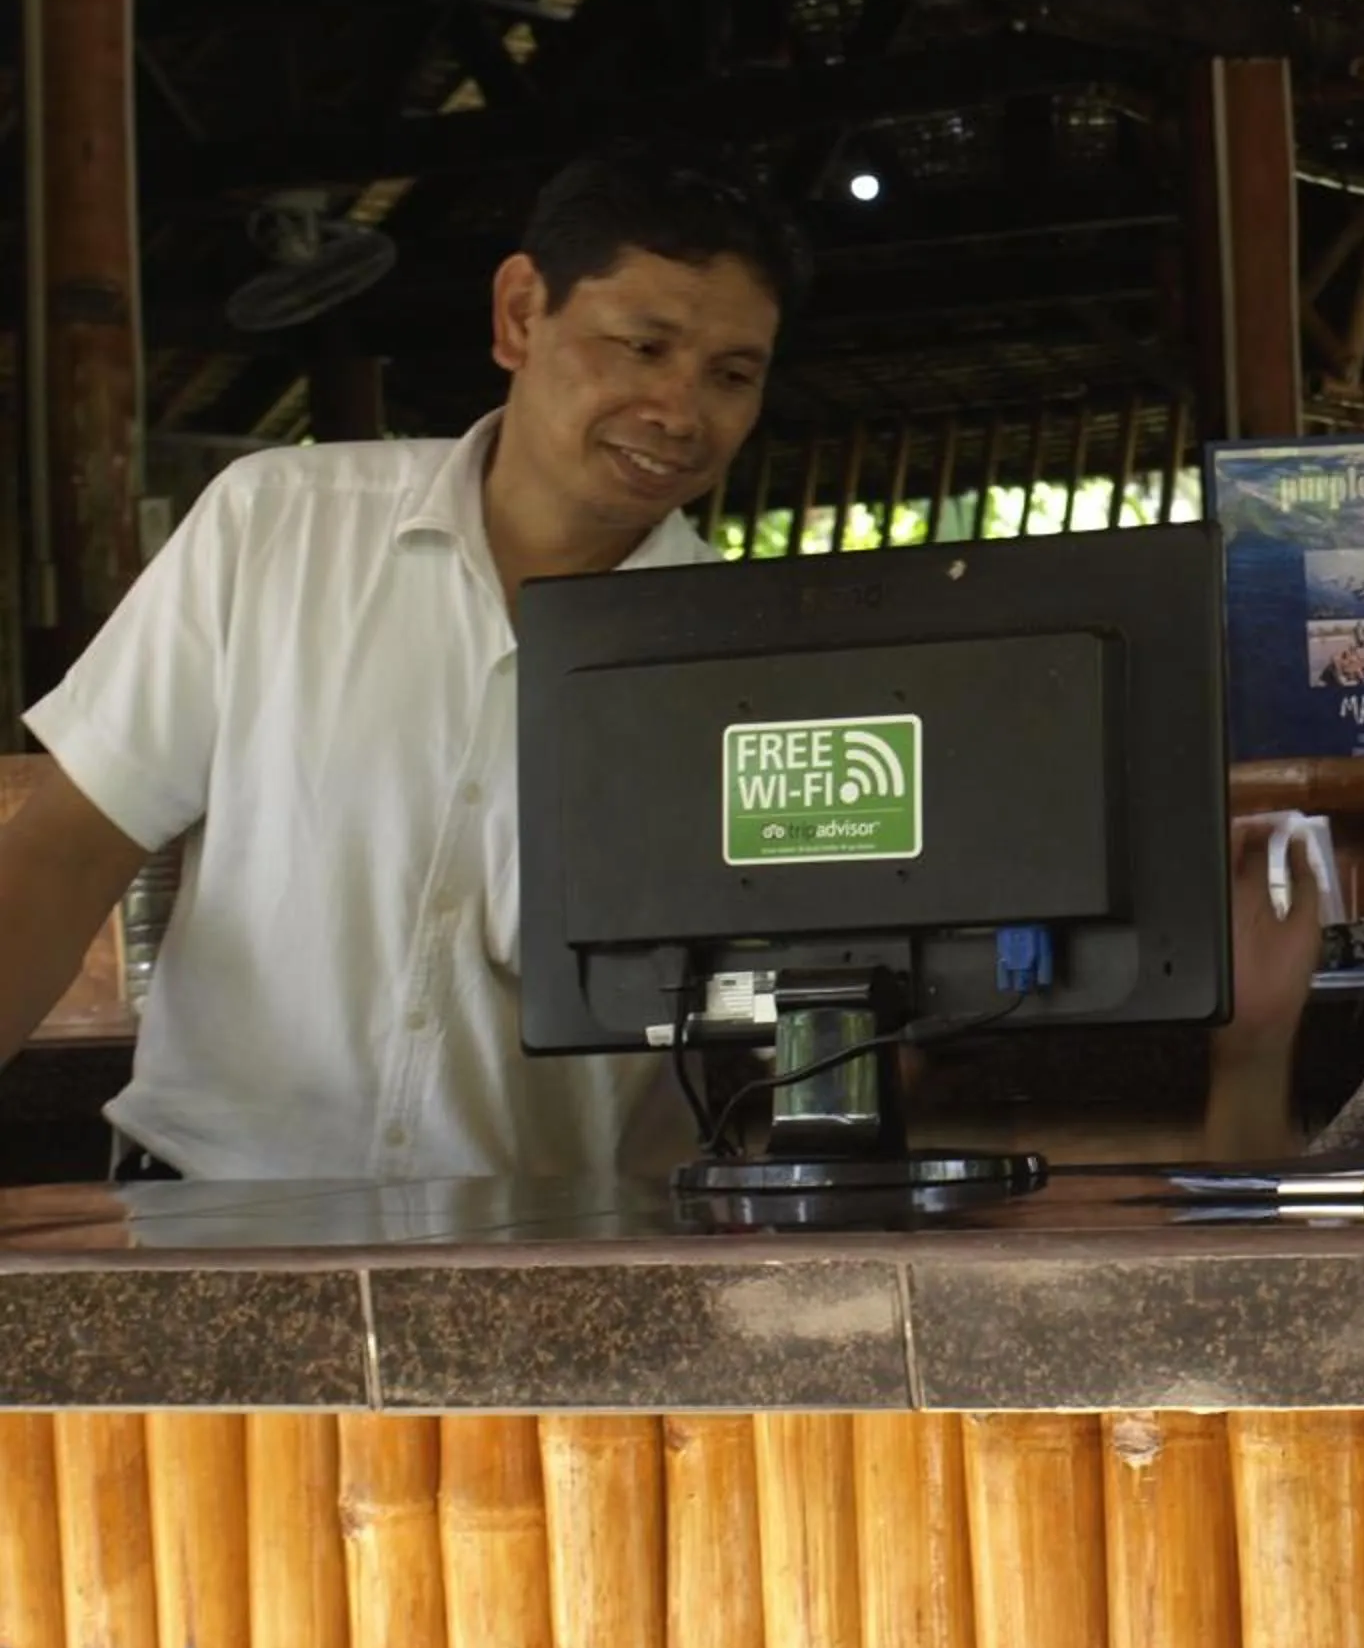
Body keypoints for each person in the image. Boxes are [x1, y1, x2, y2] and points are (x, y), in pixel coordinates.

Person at [0, 148, 810, 1179]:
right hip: (209, 1215)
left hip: (545, 1254)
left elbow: (783, 1009)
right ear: (520, 314)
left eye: (732, 375)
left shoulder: (743, 660)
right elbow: (61, 859)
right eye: (642, 346)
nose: (681, 411)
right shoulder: (276, 527)